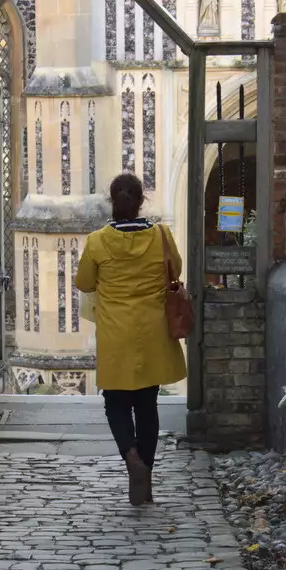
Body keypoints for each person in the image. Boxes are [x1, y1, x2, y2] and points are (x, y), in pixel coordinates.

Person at [76, 173, 187, 505]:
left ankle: (132, 461)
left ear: (113, 201)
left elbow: (84, 283)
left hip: (116, 334)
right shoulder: (162, 236)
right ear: (142, 202)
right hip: (152, 333)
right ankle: (146, 476)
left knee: (116, 404)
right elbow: (175, 271)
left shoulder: (97, 242)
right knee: (147, 405)